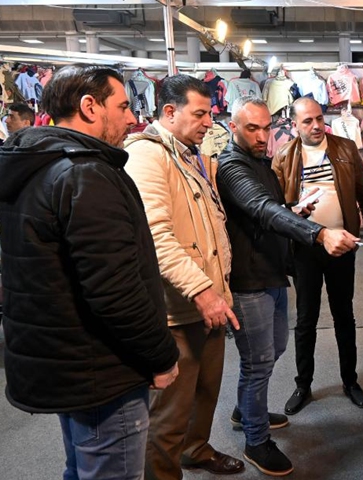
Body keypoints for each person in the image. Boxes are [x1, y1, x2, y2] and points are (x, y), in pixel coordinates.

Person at [0, 64, 180, 480]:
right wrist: (162, 355)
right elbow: (114, 291)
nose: (133, 117)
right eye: (122, 106)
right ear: (89, 107)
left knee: (81, 468)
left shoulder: (34, 165)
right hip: (102, 370)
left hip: (66, 360)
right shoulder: (85, 174)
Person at [216, 95, 358, 476]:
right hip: (250, 279)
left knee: (274, 348)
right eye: (252, 128)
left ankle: (247, 409)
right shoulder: (233, 166)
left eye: (265, 127)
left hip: (271, 270)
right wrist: (317, 234)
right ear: (233, 127)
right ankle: (256, 440)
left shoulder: (261, 161)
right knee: (258, 360)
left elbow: (271, 210)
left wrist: (295, 210)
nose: (263, 135)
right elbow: (261, 208)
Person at [124, 75, 244, 479]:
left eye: (209, 113)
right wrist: (202, 291)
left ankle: (195, 449)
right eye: (200, 113)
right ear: (169, 113)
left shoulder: (188, 152)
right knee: (170, 413)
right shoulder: (148, 156)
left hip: (209, 302)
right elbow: (156, 236)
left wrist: (218, 292)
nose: (210, 122)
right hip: (179, 309)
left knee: (205, 392)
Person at [272, 97, 363, 415]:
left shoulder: (346, 148)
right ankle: (302, 384)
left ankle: (350, 381)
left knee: (344, 316)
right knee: (305, 318)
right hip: (305, 249)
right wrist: (295, 211)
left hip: (342, 246)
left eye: (319, 118)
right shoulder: (284, 156)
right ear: (295, 125)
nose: (316, 125)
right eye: (307, 121)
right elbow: (276, 208)